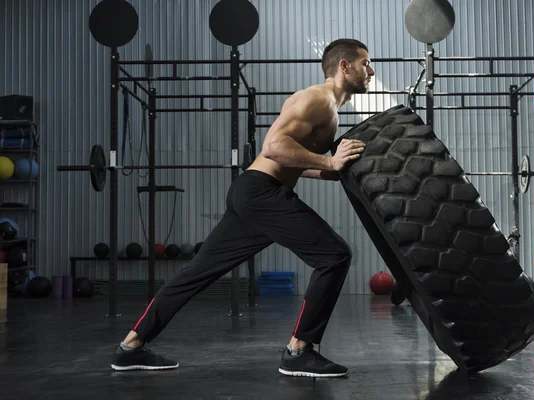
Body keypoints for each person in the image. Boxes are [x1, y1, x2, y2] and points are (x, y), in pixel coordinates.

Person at [111, 38, 375, 378]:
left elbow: (293, 160)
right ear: (344, 66)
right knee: (334, 255)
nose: (371, 70)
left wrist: (331, 169)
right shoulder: (318, 99)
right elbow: (274, 146)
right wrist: (328, 160)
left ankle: (130, 347)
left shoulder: (329, 109)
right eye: (365, 62)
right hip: (262, 192)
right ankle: (299, 351)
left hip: (252, 192)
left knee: (196, 273)